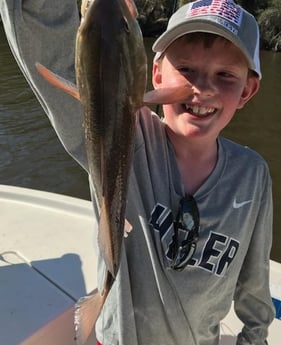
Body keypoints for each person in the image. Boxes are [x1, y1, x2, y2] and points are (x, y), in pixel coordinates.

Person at [0, 0, 275, 344]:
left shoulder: (252, 176)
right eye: (186, 69)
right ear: (155, 74)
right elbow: (37, 28)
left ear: (247, 90)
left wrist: (255, 337)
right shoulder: (120, 130)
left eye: (225, 75)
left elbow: (255, 283)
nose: (202, 88)